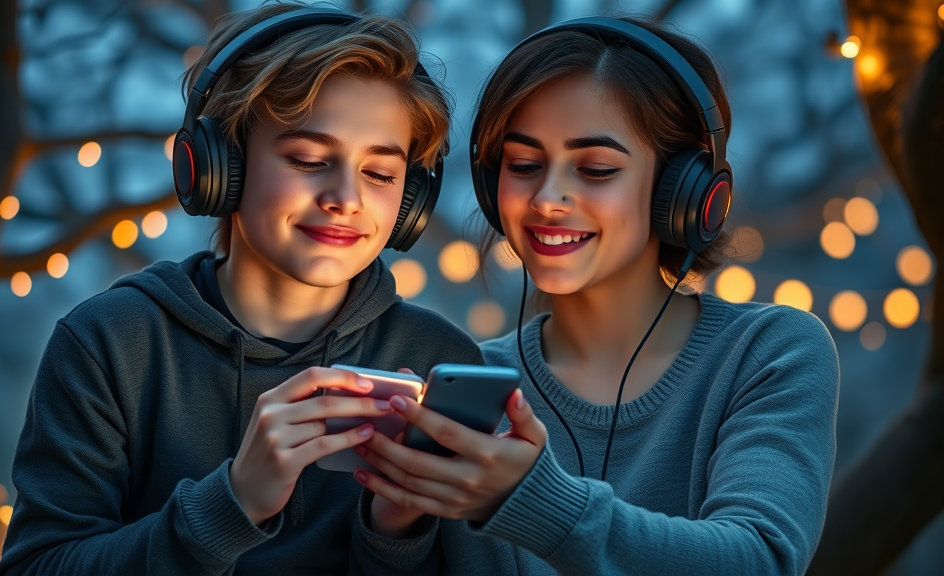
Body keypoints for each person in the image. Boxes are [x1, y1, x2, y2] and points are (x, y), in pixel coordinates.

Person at [0, 3, 481, 574]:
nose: (346, 198)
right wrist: (230, 505)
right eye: (307, 158)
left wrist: (395, 531)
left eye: (379, 174)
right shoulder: (109, 343)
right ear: (219, 166)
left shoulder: (438, 363)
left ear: (410, 202)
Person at [352, 16, 840, 575]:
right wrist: (396, 528)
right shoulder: (464, 382)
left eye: (597, 169)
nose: (549, 199)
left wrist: (534, 498)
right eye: (525, 165)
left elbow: (758, 560)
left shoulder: (769, 353)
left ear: (684, 193)